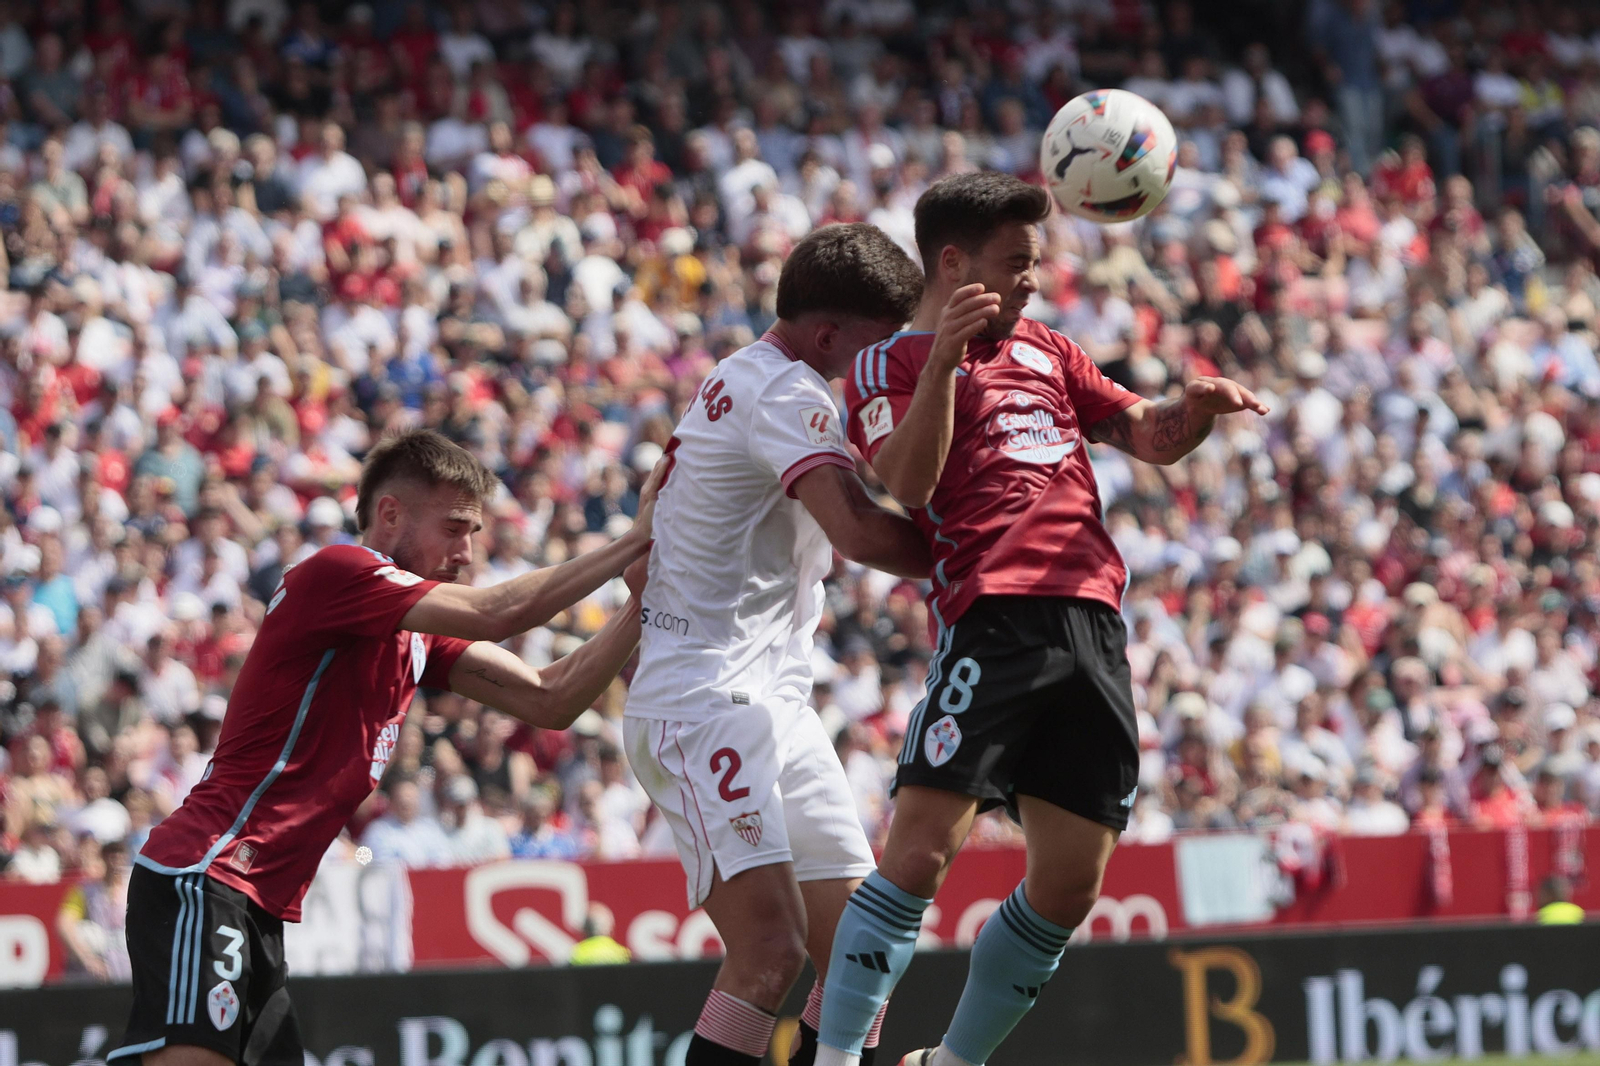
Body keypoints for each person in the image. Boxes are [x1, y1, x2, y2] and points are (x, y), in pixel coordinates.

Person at [819, 173, 1268, 1066]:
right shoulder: (888, 367)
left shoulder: (1049, 348)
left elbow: (1147, 434)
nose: (1033, 276)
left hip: (1094, 625)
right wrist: (944, 359)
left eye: (1036, 259)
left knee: (1070, 883)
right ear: (954, 263)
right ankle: (834, 1060)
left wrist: (1198, 413)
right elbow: (905, 485)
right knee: (916, 859)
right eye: (1015, 262)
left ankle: (951, 1062)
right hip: (994, 619)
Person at [109, 429, 661, 1066]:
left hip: (254, 901)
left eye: (475, 532)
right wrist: (634, 539)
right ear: (390, 513)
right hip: (207, 874)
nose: (467, 551)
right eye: (455, 527)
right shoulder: (339, 572)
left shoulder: (414, 631)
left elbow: (550, 698)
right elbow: (495, 614)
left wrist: (643, 603)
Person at [623, 223, 932, 1066]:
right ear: (830, 335)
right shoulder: (787, 394)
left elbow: (652, 531)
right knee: (771, 955)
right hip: (706, 706)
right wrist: (983, 559)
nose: (891, 355)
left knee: (863, 956)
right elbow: (861, 531)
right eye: (881, 337)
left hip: (769, 702)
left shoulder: (740, 379)